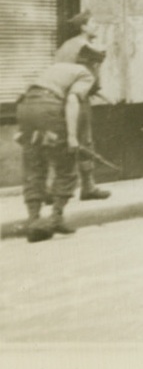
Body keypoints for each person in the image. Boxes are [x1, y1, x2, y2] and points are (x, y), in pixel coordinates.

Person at [17, 43, 106, 242]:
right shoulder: (85, 73)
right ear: (94, 64)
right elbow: (73, 101)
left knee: (34, 165)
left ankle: (33, 220)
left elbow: (29, 94)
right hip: (50, 108)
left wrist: (23, 129)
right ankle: (56, 218)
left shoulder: (55, 68)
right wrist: (72, 137)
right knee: (66, 165)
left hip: (25, 107)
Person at [53, 9, 110, 200]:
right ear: (83, 27)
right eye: (93, 23)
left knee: (70, 141)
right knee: (83, 141)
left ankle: (70, 188)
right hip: (75, 98)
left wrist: (99, 93)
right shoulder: (82, 47)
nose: (97, 26)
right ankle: (85, 187)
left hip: (66, 97)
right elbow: (78, 76)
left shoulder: (68, 46)